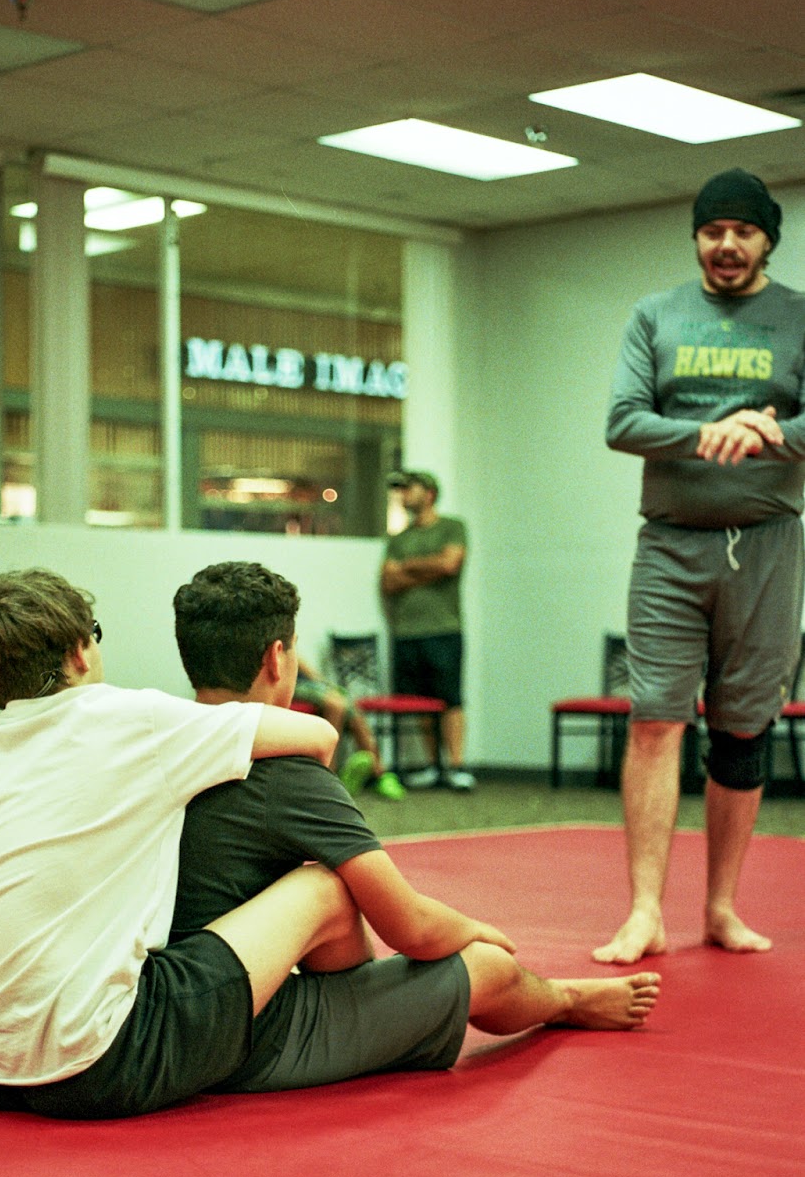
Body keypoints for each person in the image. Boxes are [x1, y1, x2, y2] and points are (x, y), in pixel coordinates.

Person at [170, 560, 660, 1096]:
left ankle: (373, 1012)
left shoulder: (158, 746)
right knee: (489, 966)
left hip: (171, 996)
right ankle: (567, 1000)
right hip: (245, 1037)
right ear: (277, 657)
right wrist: (478, 930)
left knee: (331, 893)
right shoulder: (287, 772)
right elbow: (412, 930)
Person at [0, 567, 369, 1120]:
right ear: (80, 651)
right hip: (100, 1065)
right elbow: (321, 735)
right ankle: (359, 1009)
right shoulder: (131, 718)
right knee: (323, 886)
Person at [594, 169, 805, 966]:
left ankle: (720, 907)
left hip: (768, 544)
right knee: (654, 717)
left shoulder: (798, 319)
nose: (725, 245)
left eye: (742, 232)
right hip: (671, 544)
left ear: (766, 241)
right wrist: (719, 428)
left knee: (744, 726)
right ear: (696, 238)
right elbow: (622, 419)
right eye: (712, 231)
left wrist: (768, 433)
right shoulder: (657, 314)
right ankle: (644, 910)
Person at [381, 469, 475, 790]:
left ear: (430, 493)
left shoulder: (453, 527)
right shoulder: (398, 538)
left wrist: (408, 567)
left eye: (409, 488)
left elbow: (450, 563)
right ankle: (433, 766)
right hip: (407, 631)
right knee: (421, 702)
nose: (403, 494)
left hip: (444, 628)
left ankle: (457, 767)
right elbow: (389, 581)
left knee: (450, 699)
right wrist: (427, 569)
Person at [293, 654, 406, 800]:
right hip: (291, 684)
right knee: (337, 705)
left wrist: (323, 683)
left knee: (348, 703)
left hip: (306, 682)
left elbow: (297, 658)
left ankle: (380, 774)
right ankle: (328, 777)